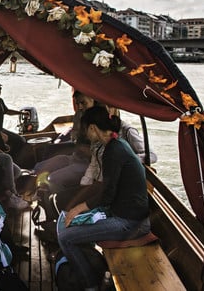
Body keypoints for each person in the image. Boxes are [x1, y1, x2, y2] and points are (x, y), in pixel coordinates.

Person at [57, 106, 150, 290]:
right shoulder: (117, 145)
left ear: (93, 128)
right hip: (123, 213)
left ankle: (90, 284)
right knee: (67, 220)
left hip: (130, 223)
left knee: (65, 237)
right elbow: (109, 194)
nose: (86, 135)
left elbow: (107, 194)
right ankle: (93, 268)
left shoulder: (113, 151)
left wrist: (79, 208)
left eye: (86, 130)